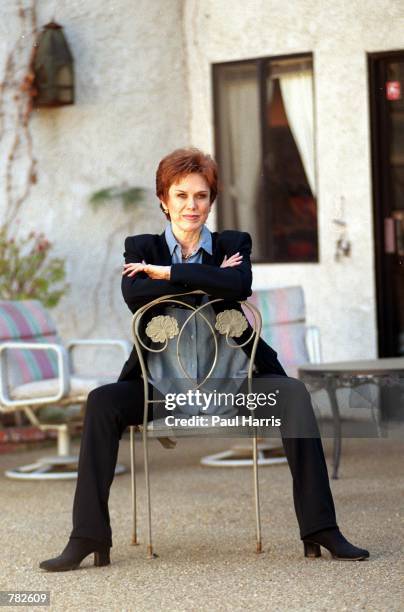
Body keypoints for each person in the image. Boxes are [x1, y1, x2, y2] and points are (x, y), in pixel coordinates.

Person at [39, 148, 369, 572]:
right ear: (163, 199)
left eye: (200, 196)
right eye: (181, 196)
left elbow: (241, 283)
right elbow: (136, 296)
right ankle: (88, 537)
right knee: (102, 402)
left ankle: (321, 529)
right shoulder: (141, 246)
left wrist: (167, 274)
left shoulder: (234, 243)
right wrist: (213, 280)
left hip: (235, 382)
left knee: (293, 395)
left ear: (211, 200)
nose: (191, 206)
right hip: (161, 388)